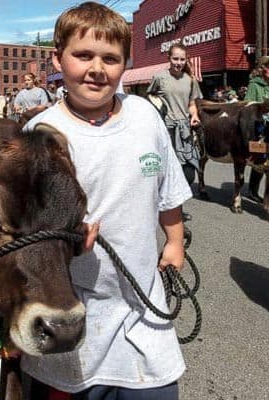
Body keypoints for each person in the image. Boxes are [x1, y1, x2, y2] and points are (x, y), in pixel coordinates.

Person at [21, 2, 192, 399]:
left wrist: (175, 240)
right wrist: (62, 245)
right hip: (69, 312)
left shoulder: (146, 117)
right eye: (83, 55)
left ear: (125, 65)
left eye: (110, 59)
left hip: (143, 303)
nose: (97, 68)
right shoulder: (39, 133)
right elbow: (23, 230)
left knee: (157, 391)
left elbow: (166, 187)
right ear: (58, 59)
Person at [146, 42, 202, 187]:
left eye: (182, 59)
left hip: (184, 130)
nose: (179, 63)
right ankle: (166, 206)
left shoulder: (190, 80)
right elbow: (151, 97)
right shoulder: (159, 78)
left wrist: (194, 116)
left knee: (188, 174)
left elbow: (191, 104)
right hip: (165, 129)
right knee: (166, 171)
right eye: (175, 59)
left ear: (186, 60)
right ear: (168, 58)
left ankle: (176, 203)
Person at [244, 55, 269, 203]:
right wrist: (262, 109)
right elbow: (247, 106)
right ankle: (254, 191)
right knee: (262, 160)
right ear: (262, 69)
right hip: (260, 128)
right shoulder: (254, 85)